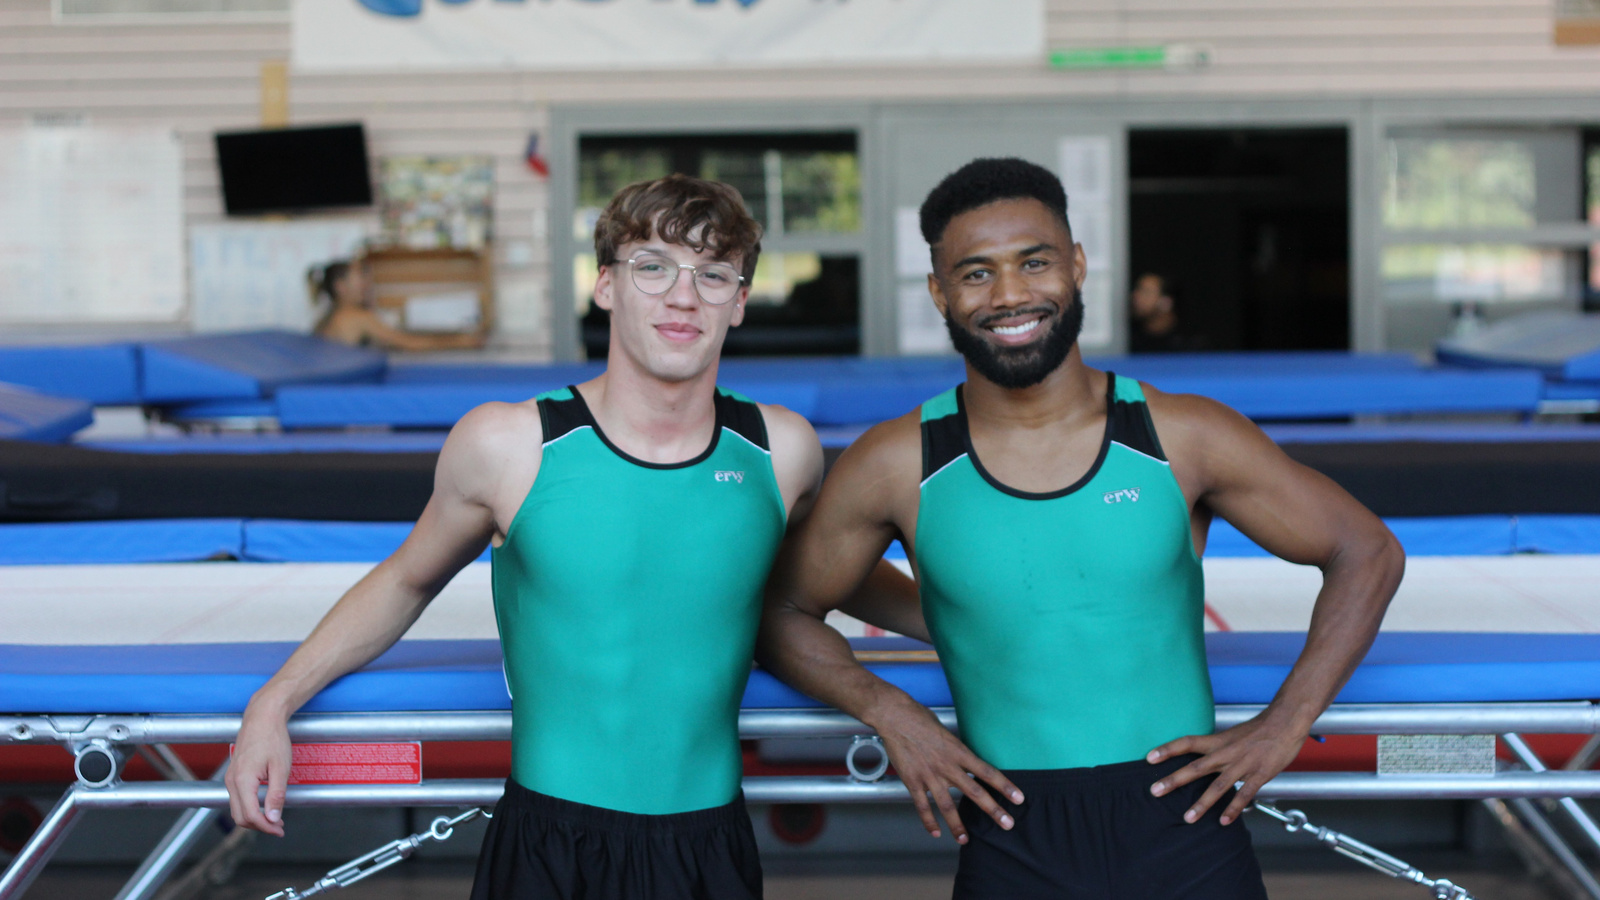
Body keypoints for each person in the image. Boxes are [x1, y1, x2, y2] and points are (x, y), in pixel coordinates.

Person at [230, 174, 915, 900]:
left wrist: (966, 624)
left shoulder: (782, 451)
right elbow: (407, 579)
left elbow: (833, 573)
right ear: (607, 286)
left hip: (709, 848)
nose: (684, 297)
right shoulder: (509, 444)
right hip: (549, 849)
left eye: (713, 275)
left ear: (740, 300)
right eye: (652, 266)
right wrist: (272, 703)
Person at [757, 157, 1404, 899]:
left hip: (1185, 826)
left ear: (1077, 265)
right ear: (939, 292)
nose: (1010, 295)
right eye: (975, 273)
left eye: (1034, 262)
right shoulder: (899, 461)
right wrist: (886, 708)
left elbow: (1366, 550)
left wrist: (1285, 724)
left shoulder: (1182, 435)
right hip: (1012, 835)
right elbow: (776, 609)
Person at [310, 257, 487, 352]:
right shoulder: (355, 317)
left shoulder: (326, 318)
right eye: (360, 278)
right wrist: (462, 341)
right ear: (340, 287)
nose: (366, 284)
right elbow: (410, 343)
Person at [1128, 271, 1201, 353]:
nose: (1135, 297)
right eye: (1137, 290)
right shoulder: (1127, 340)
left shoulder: (1190, 343)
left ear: (1166, 302)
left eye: (1146, 292)